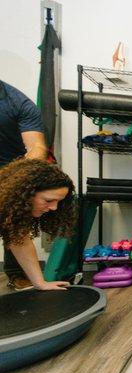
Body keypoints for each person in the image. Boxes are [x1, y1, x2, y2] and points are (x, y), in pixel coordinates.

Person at [0, 80, 49, 289]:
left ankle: (20, 275)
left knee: (15, 225)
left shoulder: (18, 103)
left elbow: (37, 147)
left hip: (10, 169)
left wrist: (18, 178)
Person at [0, 158, 75, 290]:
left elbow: (20, 242)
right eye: (49, 200)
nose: (54, 208)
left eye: (58, 201)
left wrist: (40, 283)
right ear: (25, 194)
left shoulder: (12, 210)